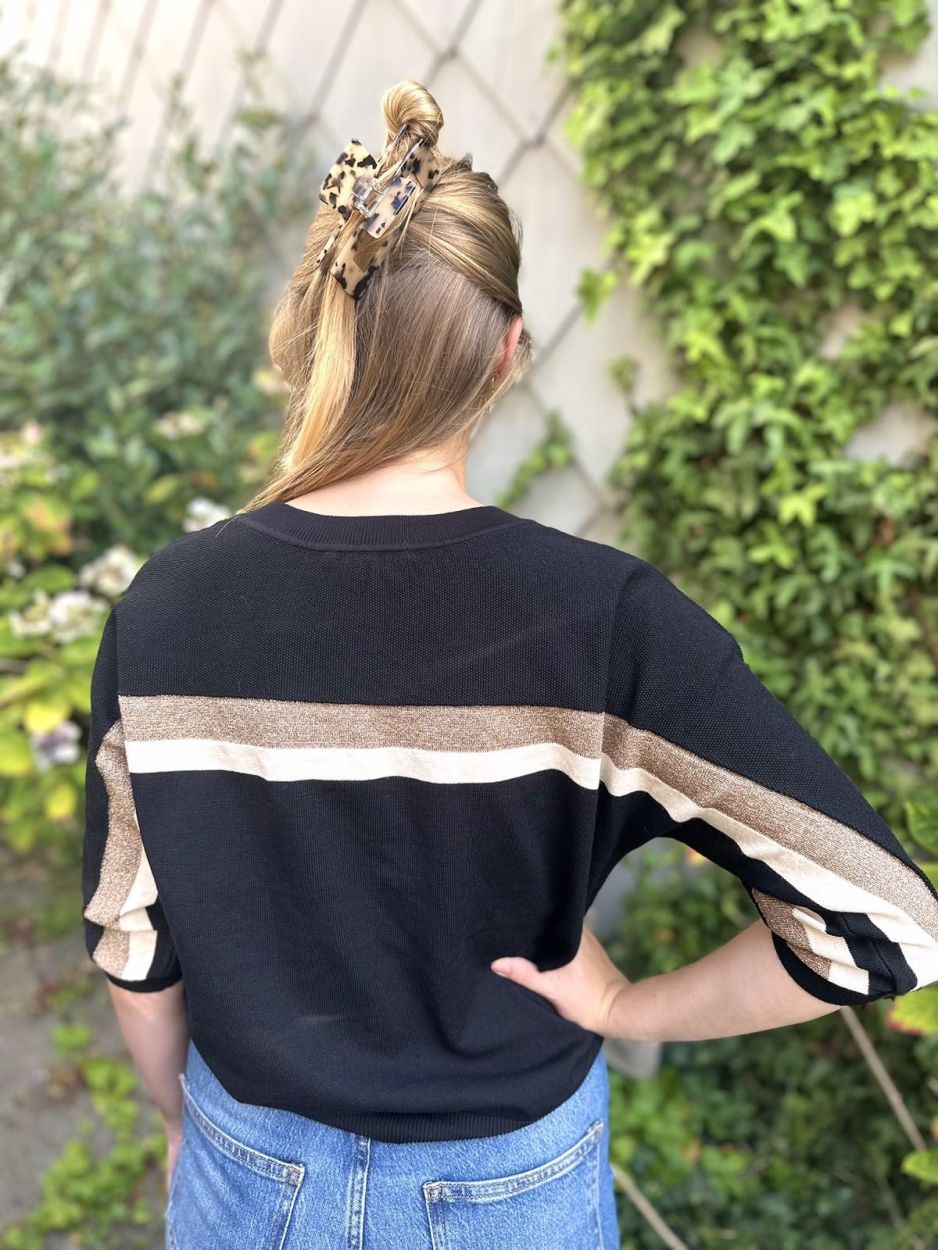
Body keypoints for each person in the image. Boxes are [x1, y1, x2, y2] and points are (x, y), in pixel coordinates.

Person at [81, 80, 938, 1250]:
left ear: (314, 334)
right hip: (510, 1186)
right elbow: (884, 921)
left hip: (251, 1163)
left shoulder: (168, 606)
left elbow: (132, 941)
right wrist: (628, 1003)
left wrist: (179, 1117)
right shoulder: (604, 622)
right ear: (506, 352)